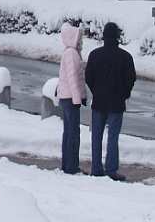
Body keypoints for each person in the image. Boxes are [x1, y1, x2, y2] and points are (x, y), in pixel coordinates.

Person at [85, 22, 137, 180]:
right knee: (113, 137)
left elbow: (89, 77)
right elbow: (131, 79)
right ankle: (111, 169)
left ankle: (96, 168)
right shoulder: (125, 57)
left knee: (96, 136)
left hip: (99, 101)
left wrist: (96, 91)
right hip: (117, 103)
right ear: (117, 37)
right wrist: (124, 94)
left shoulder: (94, 55)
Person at [56, 22, 87, 174]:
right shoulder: (71, 54)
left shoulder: (70, 53)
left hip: (68, 97)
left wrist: (83, 95)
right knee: (72, 133)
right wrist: (78, 98)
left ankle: (68, 164)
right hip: (70, 99)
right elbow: (73, 78)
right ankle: (71, 166)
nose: (81, 41)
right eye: (79, 38)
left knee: (69, 132)